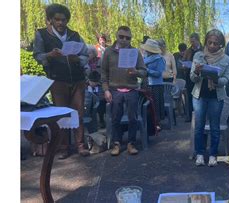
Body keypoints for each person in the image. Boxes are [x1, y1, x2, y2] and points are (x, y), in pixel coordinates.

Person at [33, 3, 90, 158]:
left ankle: (80, 146)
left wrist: (77, 59)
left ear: (67, 20)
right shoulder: (42, 34)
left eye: (63, 20)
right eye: (57, 19)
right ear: (50, 20)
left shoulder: (75, 35)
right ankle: (63, 147)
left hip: (77, 80)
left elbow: (86, 55)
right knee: (61, 115)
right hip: (57, 80)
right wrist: (49, 55)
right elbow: (37, 55)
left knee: (78, 113)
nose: (60, 23)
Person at [101, 26, 147, 156]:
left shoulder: (135, 52)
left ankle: (131, 143)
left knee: (133, 118)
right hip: (115, 89)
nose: (124, 40)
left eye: (127, 38)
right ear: (116, 36)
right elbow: (103, 73)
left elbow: (144, 72)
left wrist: (136, 72)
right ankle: (116, 143)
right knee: (115, 118)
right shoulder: (109, 52)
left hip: (131, 89)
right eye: (121, 37)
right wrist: (106, 90)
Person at [190, 29, 229, 167]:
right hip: (199, 96)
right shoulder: (198, 55)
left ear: (221, 44)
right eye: (210, 43)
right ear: (206, 42)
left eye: (216, 43)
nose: (212, 45)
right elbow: (192, 78)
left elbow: (226, 79)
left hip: (216, 96)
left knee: (215, 127)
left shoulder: (226, 59)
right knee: (199, 126)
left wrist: (217, 79)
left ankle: (213, 154)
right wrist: (196, 71)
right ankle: (200, 154)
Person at [141, 39, 166, 134]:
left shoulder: (159, 59)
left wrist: (147, 70)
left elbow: (158, 73)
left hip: (156, 85)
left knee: (155, 105)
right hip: (147, 84)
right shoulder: (145, 58)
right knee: (148, 106)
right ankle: (150, 124)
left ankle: (157, 123)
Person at [183, 33, 203, 122]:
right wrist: (184, 65)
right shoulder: (188, 51)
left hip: (200, 76)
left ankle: (200, 116)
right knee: (190, 96)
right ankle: (190, 116)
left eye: (193, 41)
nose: (192, 43)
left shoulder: (203, 50)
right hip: (189, 76)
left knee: (199, 96)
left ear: (198, 40)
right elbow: (183, 61)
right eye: (190, 41)